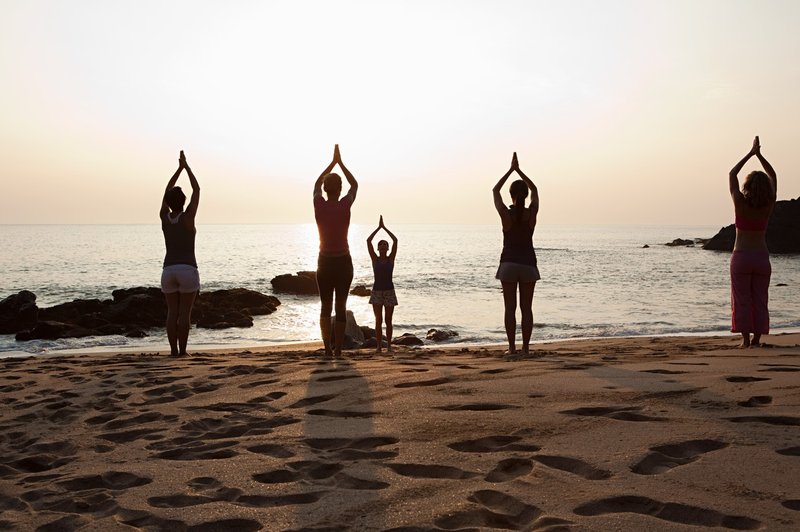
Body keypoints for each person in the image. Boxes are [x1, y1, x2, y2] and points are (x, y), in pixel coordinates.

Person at [728, 136, 777, 348]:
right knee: (759, 299)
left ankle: (745, 340)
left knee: (742, 300)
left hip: (741, 256)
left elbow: (732, 174)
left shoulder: (740, 202)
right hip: (761, 257)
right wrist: (760, 155)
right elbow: (773, 175)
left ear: (747, 185)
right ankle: (757, 339)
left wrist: (750, 153)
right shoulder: (769, 203)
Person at [313, 144, 358, 357]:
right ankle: (338, 349)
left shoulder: (319, 204)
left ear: (325, 188)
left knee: (325, 306)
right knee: (340, 306)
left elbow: (315, 184)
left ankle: (327, 349)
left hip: (325, 262)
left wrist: (331, 164)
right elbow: (355, 184)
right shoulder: (345, 205)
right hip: (342, 263)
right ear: (339, 189)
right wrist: (341, 163)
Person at [492, 152, 540, 354]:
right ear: (526, 194)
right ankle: (526, 349)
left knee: (510, 309)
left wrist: (510, 170)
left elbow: (495, 190)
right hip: (528, 265)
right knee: (526, 309)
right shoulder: (531, 213)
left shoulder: (506, 215)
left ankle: (512, 349)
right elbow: (536, 189)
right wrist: (519, 170)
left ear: (511, 194)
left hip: (509, 265)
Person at [159, 150, 200, 357]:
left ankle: (173, 350)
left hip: (168, 270)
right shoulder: (188, 218)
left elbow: (167, 190)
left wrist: (178, 169)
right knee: (185, 313)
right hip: (187, 268)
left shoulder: (164, 217)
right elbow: (197, 189)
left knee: (172, 312)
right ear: (183, 201)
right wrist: (187, 168)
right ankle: (182, 351)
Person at [366, 215, 399, 352]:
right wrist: (378, 228)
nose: (383, 246)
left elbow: (395, 240)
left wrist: (385, 228)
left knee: (388, 320)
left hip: (389, 291)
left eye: (385, 245)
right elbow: (368, 241)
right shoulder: (375, 259)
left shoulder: (391, 259)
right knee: (378, 320)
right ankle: (379, 346)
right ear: (378, 248)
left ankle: (389, 346)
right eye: (381, 245)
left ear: (388, 248)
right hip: (377, 291)